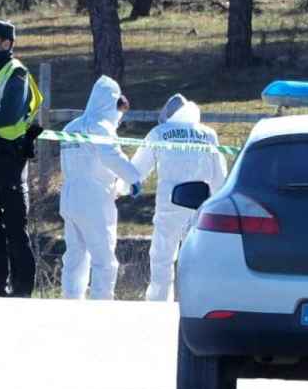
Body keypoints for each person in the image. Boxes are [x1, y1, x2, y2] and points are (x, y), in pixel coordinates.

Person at [132, 94, 228, 302]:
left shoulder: (160, 133)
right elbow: (219, 174)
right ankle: (196, 303)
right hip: (200, 206)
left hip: (170, 205)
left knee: (162, 257)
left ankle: (159, 303)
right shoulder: (208, 134)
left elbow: (138, 169)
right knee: (197, 257)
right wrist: (219, 200)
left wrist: (121, 187)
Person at [59, 76, 142, 300]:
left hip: (69, 197)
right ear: (112, 104)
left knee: (75, 256)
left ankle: (71, 300)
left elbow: (66, 163)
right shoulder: (102, 127)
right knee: (104, 258)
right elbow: (112, 157)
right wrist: (133, 178)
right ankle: (102, 305)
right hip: (93, 199)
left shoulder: (71, 126)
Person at [0, 20, 43, 297]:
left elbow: (8, 115)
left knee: (16, 227)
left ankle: (22, 288)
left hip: (10, 156)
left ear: (7, 43)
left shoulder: (16, 72)